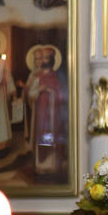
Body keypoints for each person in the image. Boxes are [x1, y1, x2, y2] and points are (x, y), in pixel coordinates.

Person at [25, 45, 65, 174]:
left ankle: (53, 165)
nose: (44, 60)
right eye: (43, 58)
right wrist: (39, 90)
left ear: (52, 60)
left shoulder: (57, 77)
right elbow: (31, 94)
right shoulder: (38, 76)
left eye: (47, 58)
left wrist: (51, 91)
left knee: (52, 136)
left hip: (53, 114)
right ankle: (42, 165)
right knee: (43, 137)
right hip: (41, 114)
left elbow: (62, 96)